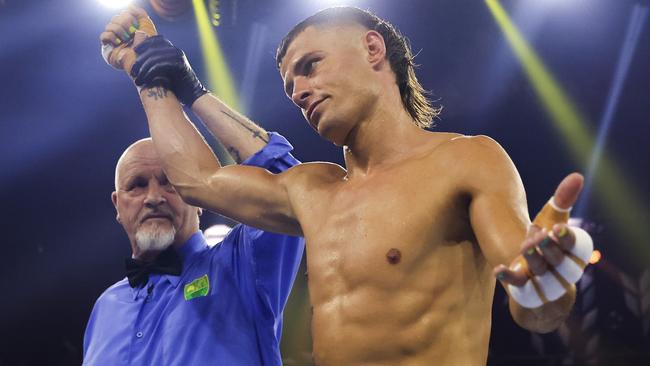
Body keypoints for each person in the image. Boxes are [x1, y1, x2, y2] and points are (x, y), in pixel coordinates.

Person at [101, 6, 594, 365]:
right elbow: (196, 180)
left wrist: (544, 280)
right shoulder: (314, 189)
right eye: (291, 88)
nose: (298, 91)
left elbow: (536, 306)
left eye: (309, 66)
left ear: (372, 48)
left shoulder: (466, 159)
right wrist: (149, 73)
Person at [82, 104, 305, 364]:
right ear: (118, 205)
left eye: (170, 183)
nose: (154, 197)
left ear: (198, 198)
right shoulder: (106, 307)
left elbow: (290, 188)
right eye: (137, 185)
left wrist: (194, 94)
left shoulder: (241, 265)